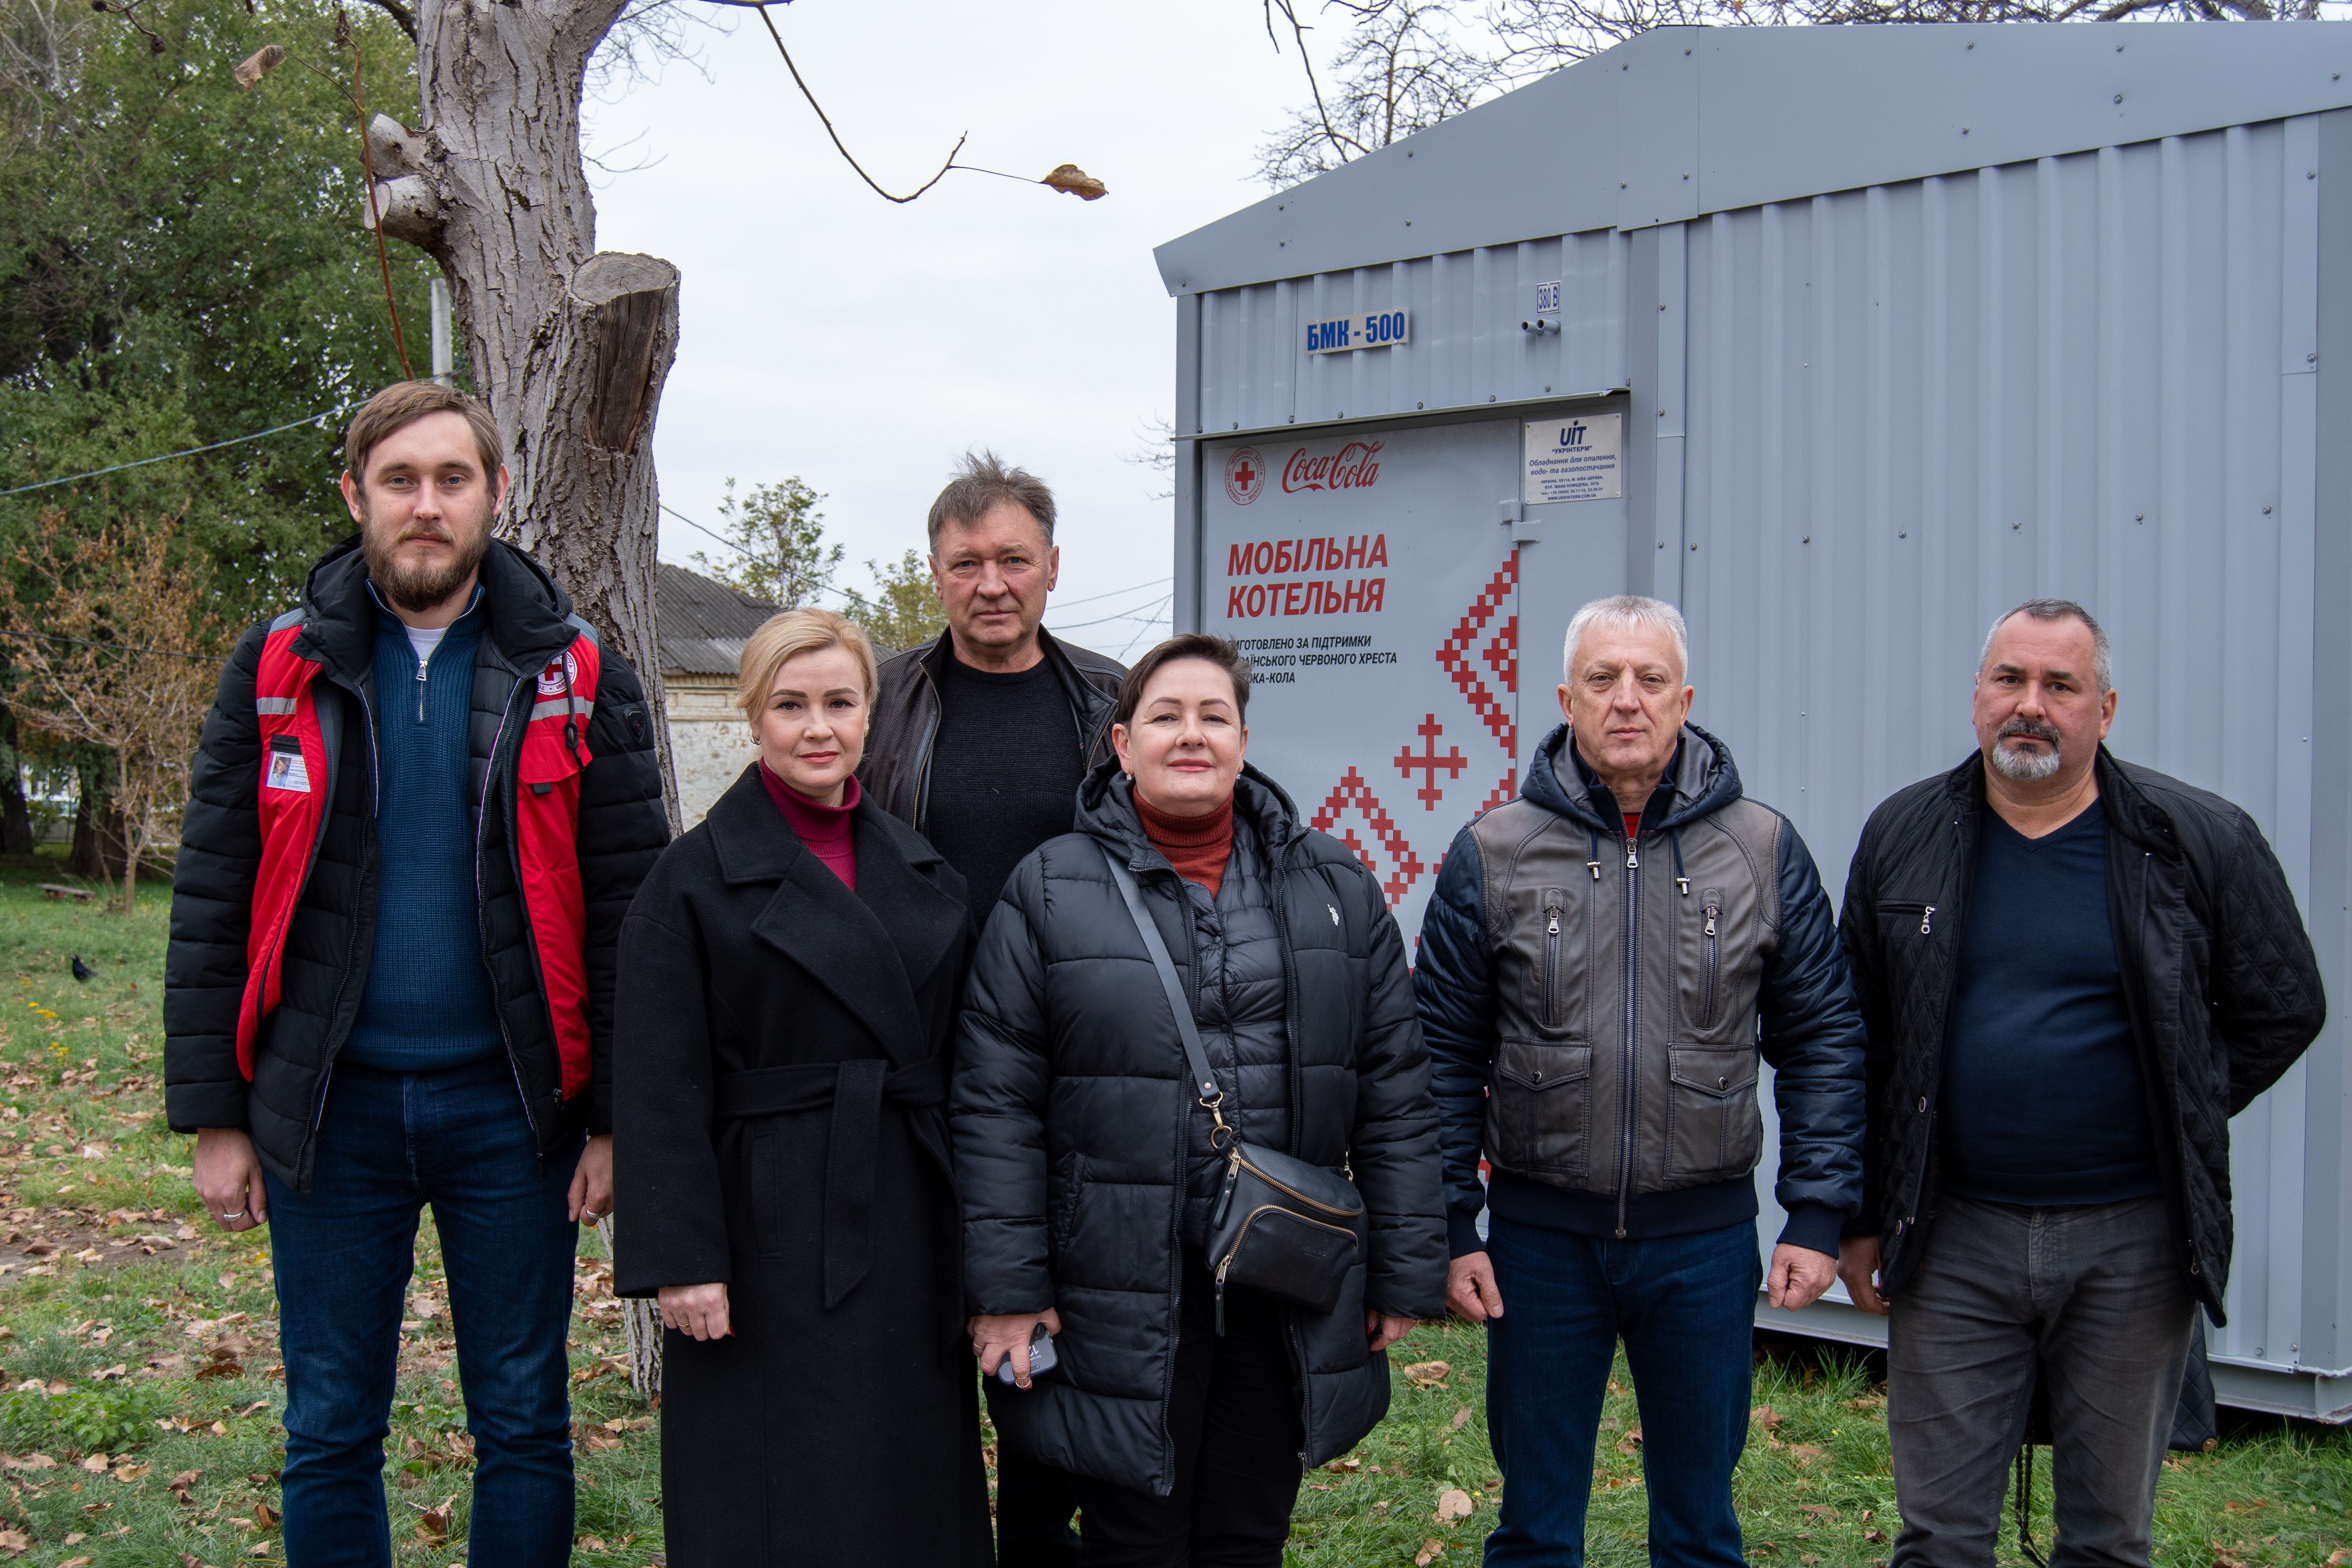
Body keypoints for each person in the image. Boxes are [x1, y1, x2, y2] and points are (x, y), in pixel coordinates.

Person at [163, 381, 670, 1567]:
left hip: (516, 1113)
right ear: (357, 497)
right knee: (331, 1425)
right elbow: (214, 897)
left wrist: (614, 1120)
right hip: (328, 1109)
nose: (427, 505)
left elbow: (630, 916)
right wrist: (215, 1117)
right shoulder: (279, 666)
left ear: (497, 492)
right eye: (400, 480)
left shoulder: (576, 671)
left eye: (453, 479)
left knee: (525, 1421)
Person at [1835, 599, 2324, 1568]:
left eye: (2060, 685)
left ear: (2105, 708)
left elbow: (2284, 1005)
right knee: (1939, 1537)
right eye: (2010, 679)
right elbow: (1861, 1035)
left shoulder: (2198, 839)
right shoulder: (1905, 834)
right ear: (1976, 697)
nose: (2031, 704)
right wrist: (1858, 1213)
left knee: (2107, 1538)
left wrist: (2173, 1101)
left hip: (2133, 1243)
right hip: (1951, 1236)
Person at [951, 634, 1448, 1568]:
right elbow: (995, 1104)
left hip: (1281, 1270)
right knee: (1135, 1538)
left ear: (1243, 741)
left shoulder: (1335, 884)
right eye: (1166, 716)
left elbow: (1394, 1087)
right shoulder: (1049, 889)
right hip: (1115, 1281)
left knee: (1247, 1532)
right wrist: (1010, 1288)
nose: (1192, 734)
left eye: (1214, 716)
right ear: (1123, 742)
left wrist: (1405, 1269)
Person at [1414, 594, 1869, 1568]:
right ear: (1566, 699)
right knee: (1534, 1527)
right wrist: (1453, 1223)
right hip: (1538, 1245)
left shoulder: (1762, 849)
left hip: (1703, 1246)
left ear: (1684, 698)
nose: (1628, 698)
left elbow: (1823, 1036)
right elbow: (1440, 1053)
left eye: (1650, 678)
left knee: (1701, 1529)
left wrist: (1819, 1211)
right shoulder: (1493, 851)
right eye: (1604, 678)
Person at [611, 608, 991, 1566]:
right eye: (790, 705)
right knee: (776, 1475)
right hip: (760, 1224)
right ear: (754, 717)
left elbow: (969, 1069)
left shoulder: (927, 873)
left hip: (908, 1208)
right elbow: (657, 1083)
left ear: (871, 715)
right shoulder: (690, 881)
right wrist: (683, 1258)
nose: (818, 727)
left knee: (903, 1465)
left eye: (839, 702)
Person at [857, 450, 1124, 1564]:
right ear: (935, 573)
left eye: (1013, 559)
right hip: (914, 1070)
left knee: (1050, 1342)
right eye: (966, 563)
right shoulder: (879, 701)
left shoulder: (1112, 701)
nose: (992, 583)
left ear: (1053, 566)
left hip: (1072, 1068)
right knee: (919, 1334)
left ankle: (1041, 1539)